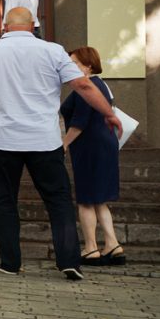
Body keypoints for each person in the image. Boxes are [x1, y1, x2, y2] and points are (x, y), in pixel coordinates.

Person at [0, 7, 121, 281]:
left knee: (4, 201)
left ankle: (10, 263)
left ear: (5, 26)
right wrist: (108, 113)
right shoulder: (53, 51)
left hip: (4, 142)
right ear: (34, 25)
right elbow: (83, 86)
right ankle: (70, 260)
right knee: (58, 200)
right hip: (44, 142)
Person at [60, 46, 124, 266]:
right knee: (99, 200)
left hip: (89, 147)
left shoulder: (86, 86)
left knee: (86, 200)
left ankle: (90, 248)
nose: (70, 67)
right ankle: (112, 244)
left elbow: (79, 122)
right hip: (105, 145)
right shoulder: (101, 85)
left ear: (88, 65)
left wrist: (64, 145)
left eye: (74, 63)